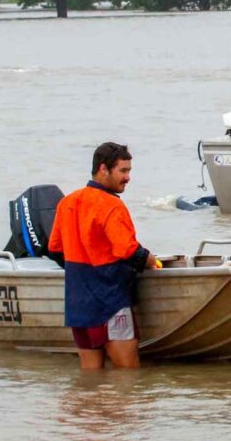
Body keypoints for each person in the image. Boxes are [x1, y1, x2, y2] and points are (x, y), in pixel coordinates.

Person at [48, 142, 159, 370]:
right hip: (110, 303)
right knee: (128, 377)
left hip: (78, 304)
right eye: (123, 171)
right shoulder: (111, 206)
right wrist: (149, 260)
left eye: (129, 171)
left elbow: (55, 248)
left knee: (91, 378)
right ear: (103, 169)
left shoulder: (67, 202)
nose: (128, 178)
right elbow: (127, 250)